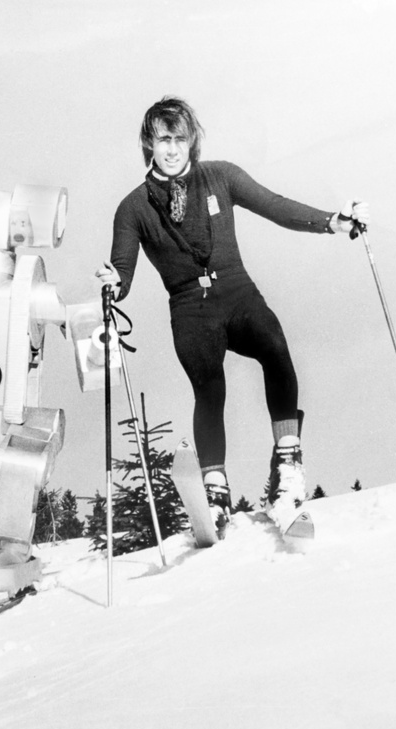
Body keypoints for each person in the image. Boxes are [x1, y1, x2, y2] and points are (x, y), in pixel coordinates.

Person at [96, 96, 369, 533]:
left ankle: (288, 463)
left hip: (237, 293)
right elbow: (122, 269)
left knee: (275, 346)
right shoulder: (133, 208)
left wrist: (331, 222)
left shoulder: (220, 176)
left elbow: (275, 205)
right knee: (209, 386)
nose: (171, 149)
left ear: (192, 142)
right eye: (162, 140)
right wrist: (115, 283)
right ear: (149, 144)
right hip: (189, 308)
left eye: (179, 139)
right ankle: (215, 489)